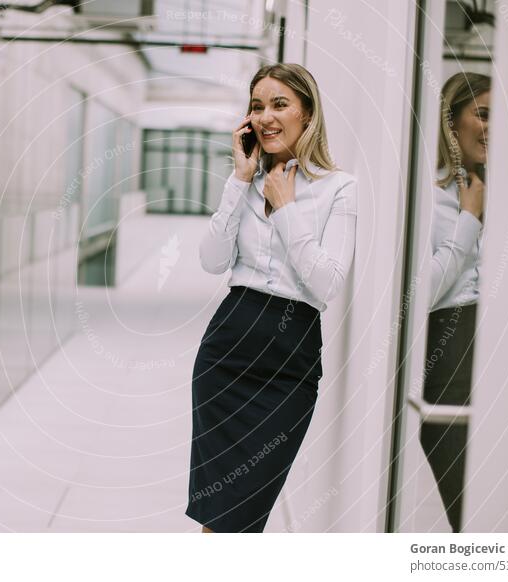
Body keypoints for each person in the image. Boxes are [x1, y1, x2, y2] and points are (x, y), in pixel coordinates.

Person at [185, 63, 357, 533]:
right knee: (217, 514)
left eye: (279, 104)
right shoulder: (247, 182)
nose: (265, 116)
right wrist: (240, 181)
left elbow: (327, 283)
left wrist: (286, 208)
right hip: (227, 349)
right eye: (257, 106)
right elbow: (212, 260)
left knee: (245, 515)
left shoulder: (339, 189)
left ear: (307, 113)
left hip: (289, 360)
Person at [420, 71, 490, 533]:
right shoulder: (428, 196)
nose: (492, 129)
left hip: (497, 338)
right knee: (461, 493)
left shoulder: (502, 191)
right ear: (451, 120)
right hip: (452, 342)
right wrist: (468, 218)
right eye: (482, 114)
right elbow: (422, 292)